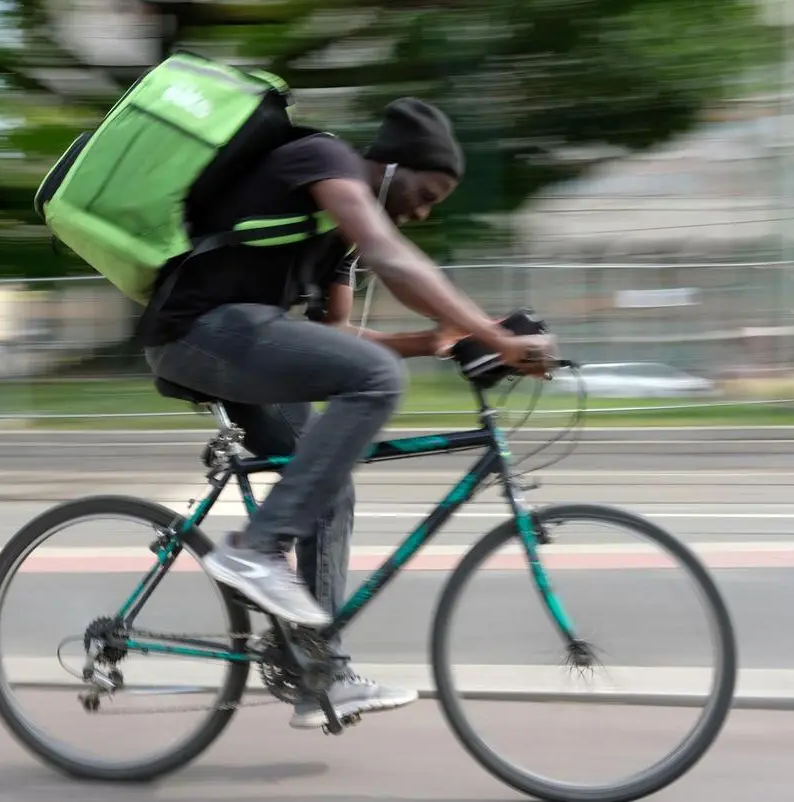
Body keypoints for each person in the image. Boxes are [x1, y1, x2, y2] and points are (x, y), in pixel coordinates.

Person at [141, 97, 557, 728]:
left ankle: (320, 679)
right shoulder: (323, 160)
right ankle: (255, 550)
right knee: (375, 382)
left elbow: (337, 338)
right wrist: (495, 335)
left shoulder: (337, 239)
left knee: (327, 483)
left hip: (244, 341)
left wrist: (434, 343)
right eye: (426, 192)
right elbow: (391, 257)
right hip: (197, 333)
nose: (422, 210)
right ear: (390, 166)